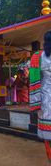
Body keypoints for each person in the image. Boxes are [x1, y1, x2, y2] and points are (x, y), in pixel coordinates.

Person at [30, 31, 51, 163]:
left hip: (45, 100)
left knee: (48, 137)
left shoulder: (37, 57)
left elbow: (33, 81)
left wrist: (34, 104)